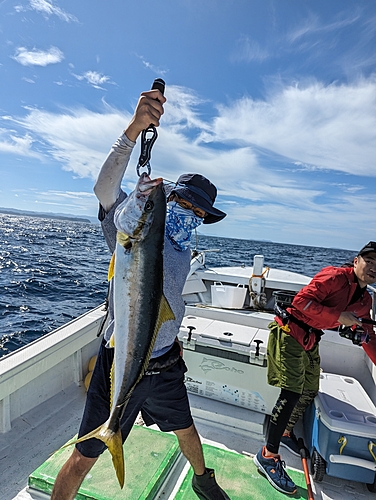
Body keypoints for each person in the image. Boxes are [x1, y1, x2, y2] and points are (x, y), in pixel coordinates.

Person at [50, 88, 229, 500]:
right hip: (122, 360)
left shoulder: (184, 249)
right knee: (84, 455)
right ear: (172, 200)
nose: (192, 217)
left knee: (186, 427)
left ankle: (203, 480)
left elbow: (164, 300)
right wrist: (133, 131)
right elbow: (105, 186)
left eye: (201, 215)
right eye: (184, 205)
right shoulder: (130, 231)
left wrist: (173, 340)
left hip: (165, 359)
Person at [254, 242, 376, 495]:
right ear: (356, 261)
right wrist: (339, 316)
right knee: (291, 393)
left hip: (311, 337)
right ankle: (268, 456)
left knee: (309, 389)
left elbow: (367, 335)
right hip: (290, 331)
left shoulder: (366, 300)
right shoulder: (334, 276)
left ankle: (286, 432)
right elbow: (301, 303)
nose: (373, 267)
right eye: (370, 260)